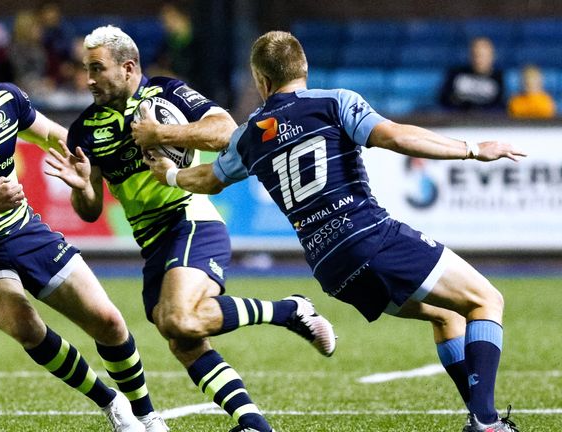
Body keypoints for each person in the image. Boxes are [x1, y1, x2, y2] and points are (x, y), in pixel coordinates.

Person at [146, 30, 526, 432]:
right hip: (371, 237)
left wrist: (169, 174)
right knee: (487, 299)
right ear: (304, 68)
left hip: (331, 267)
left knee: (449, 316)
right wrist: (470, 148)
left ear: (262, 81)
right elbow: (395, 136)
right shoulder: (333, 102)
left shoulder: (249, 135)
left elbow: (208, 177)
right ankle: (485, 423)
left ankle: (480, 416)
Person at [44, 25, 336, 432]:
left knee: (179, 319)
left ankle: (290, 310)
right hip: (151, 242)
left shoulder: (167, 93)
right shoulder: (84, 129)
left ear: (128, 67)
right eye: (85, 69)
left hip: (190, 221)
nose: (89, 79)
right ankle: (253, 424)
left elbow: (226, 131)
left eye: (97, 68)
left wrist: (161, 133)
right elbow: (90, 210)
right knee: (183, 339)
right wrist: (80, 188)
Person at [0, 23, 168, 432]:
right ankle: (111, 402)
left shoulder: (7, 99)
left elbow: (55, 137)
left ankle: (148, 415)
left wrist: (93, 158)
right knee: (26, 325)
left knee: (109, 321)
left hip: (23, 231)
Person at [440, 36, 505, 112]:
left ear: (492, 56)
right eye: (476, 55)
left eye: (483, 56)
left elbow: (497, 105)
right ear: (470, 55)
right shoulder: (456, 73)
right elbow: (444, 99)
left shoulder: (498, 77)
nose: (479, 59)